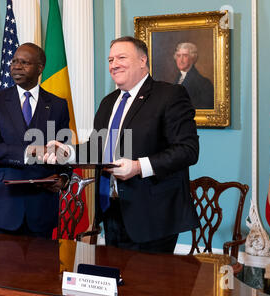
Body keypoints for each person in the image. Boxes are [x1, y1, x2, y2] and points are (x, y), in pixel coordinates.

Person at [45, 36, 200, 254]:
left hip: (153, 216)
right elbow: (99, 148)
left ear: (142, 60)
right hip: (112, 210)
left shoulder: (170, 95)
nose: (114, 64)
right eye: (110, 60)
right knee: (117, 283)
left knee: (148, 286)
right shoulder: (108, 102)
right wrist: (67, 152)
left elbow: (188, 150)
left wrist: (138, 166)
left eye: (121, 57)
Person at [0, 43, 70, 238]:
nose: (16, 66)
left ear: (40, 68)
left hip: (41, 208)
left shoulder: (58, 105)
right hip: (3, 206)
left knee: (41, 269)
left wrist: (63, 178)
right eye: (14, 61)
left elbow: (62, 150)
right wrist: (31, 152)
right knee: (2, 269)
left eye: (24, 62)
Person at [174, 42, 214, 109]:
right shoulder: (176, 80)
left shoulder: (204, 83)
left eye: (185, 56)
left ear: (193, 58)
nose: (181, 60)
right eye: (178, 56)